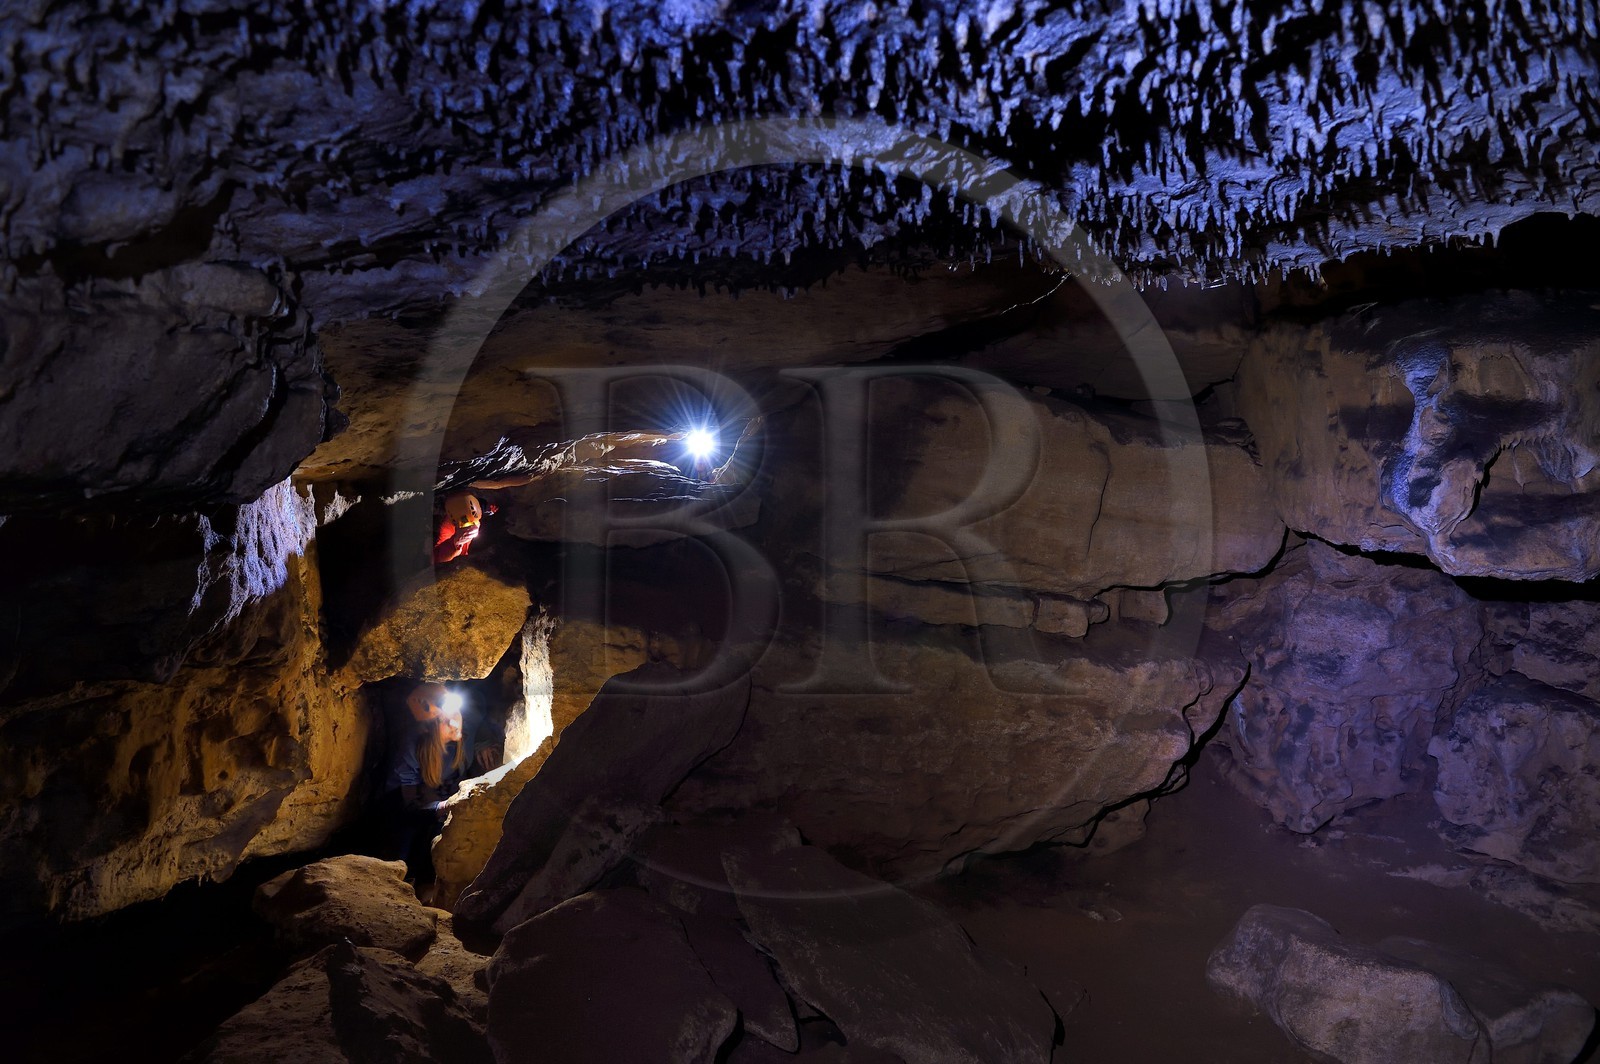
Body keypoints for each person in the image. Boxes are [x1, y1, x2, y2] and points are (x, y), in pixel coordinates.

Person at [383, 683, 502, 884]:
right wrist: (439, 807)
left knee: (443, 839)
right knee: (402, 850)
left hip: (439, 801)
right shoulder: (410, 749)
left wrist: (484, 741)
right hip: (408, 811)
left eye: (456, 714)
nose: (455, 723)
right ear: (428, 730)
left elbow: (479, 701)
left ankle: (427, 882)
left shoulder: (465, 729)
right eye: (445, 721)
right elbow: (402, 804)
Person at [434, 491, 497, 564]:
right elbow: (437, 559)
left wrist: (489, 511)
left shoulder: (474, 520)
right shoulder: (449, 526)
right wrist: (456, 543)